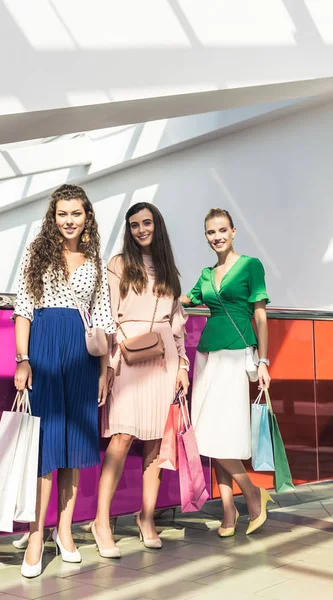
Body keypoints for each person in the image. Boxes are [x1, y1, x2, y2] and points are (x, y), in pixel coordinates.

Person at [13, 184, 115, 577]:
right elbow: (23, 307)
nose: (69, 220)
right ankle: (37, 534)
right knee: (46, 445)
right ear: (53, 217)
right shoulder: (36, 253)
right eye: (62, 214)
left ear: (86, 215)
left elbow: (102, 317)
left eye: (76, 213)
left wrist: (105, 370)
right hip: (44, 346)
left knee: (74, 445)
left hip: (82, 354)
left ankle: (65, 530)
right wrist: (23, 359)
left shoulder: (93, 258)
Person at [91, 202, 190, 558]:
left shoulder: (169, 270)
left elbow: (177, 327)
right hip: (128, 359)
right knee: (121, 438)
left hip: (163, 361)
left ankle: (146, 517)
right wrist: (110, 364)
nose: (141, 229)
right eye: (134, 225)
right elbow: (105, 316)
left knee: (155, 443)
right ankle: (101, 521)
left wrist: (183, 367)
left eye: (147, 223)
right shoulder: (118, 265)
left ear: (157, 225)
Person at [181, 208, 273, 537]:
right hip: (207, 357)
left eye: (222, 230)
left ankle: (250, 492)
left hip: (236, 356)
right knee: (208, 433)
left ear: (233, 231)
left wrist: (263, 361)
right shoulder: (206, 275)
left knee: (223, 434)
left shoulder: (251, 266)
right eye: (210, 232)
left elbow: (260, 317)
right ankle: (228, 510)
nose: (217, 236)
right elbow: (182, 300)